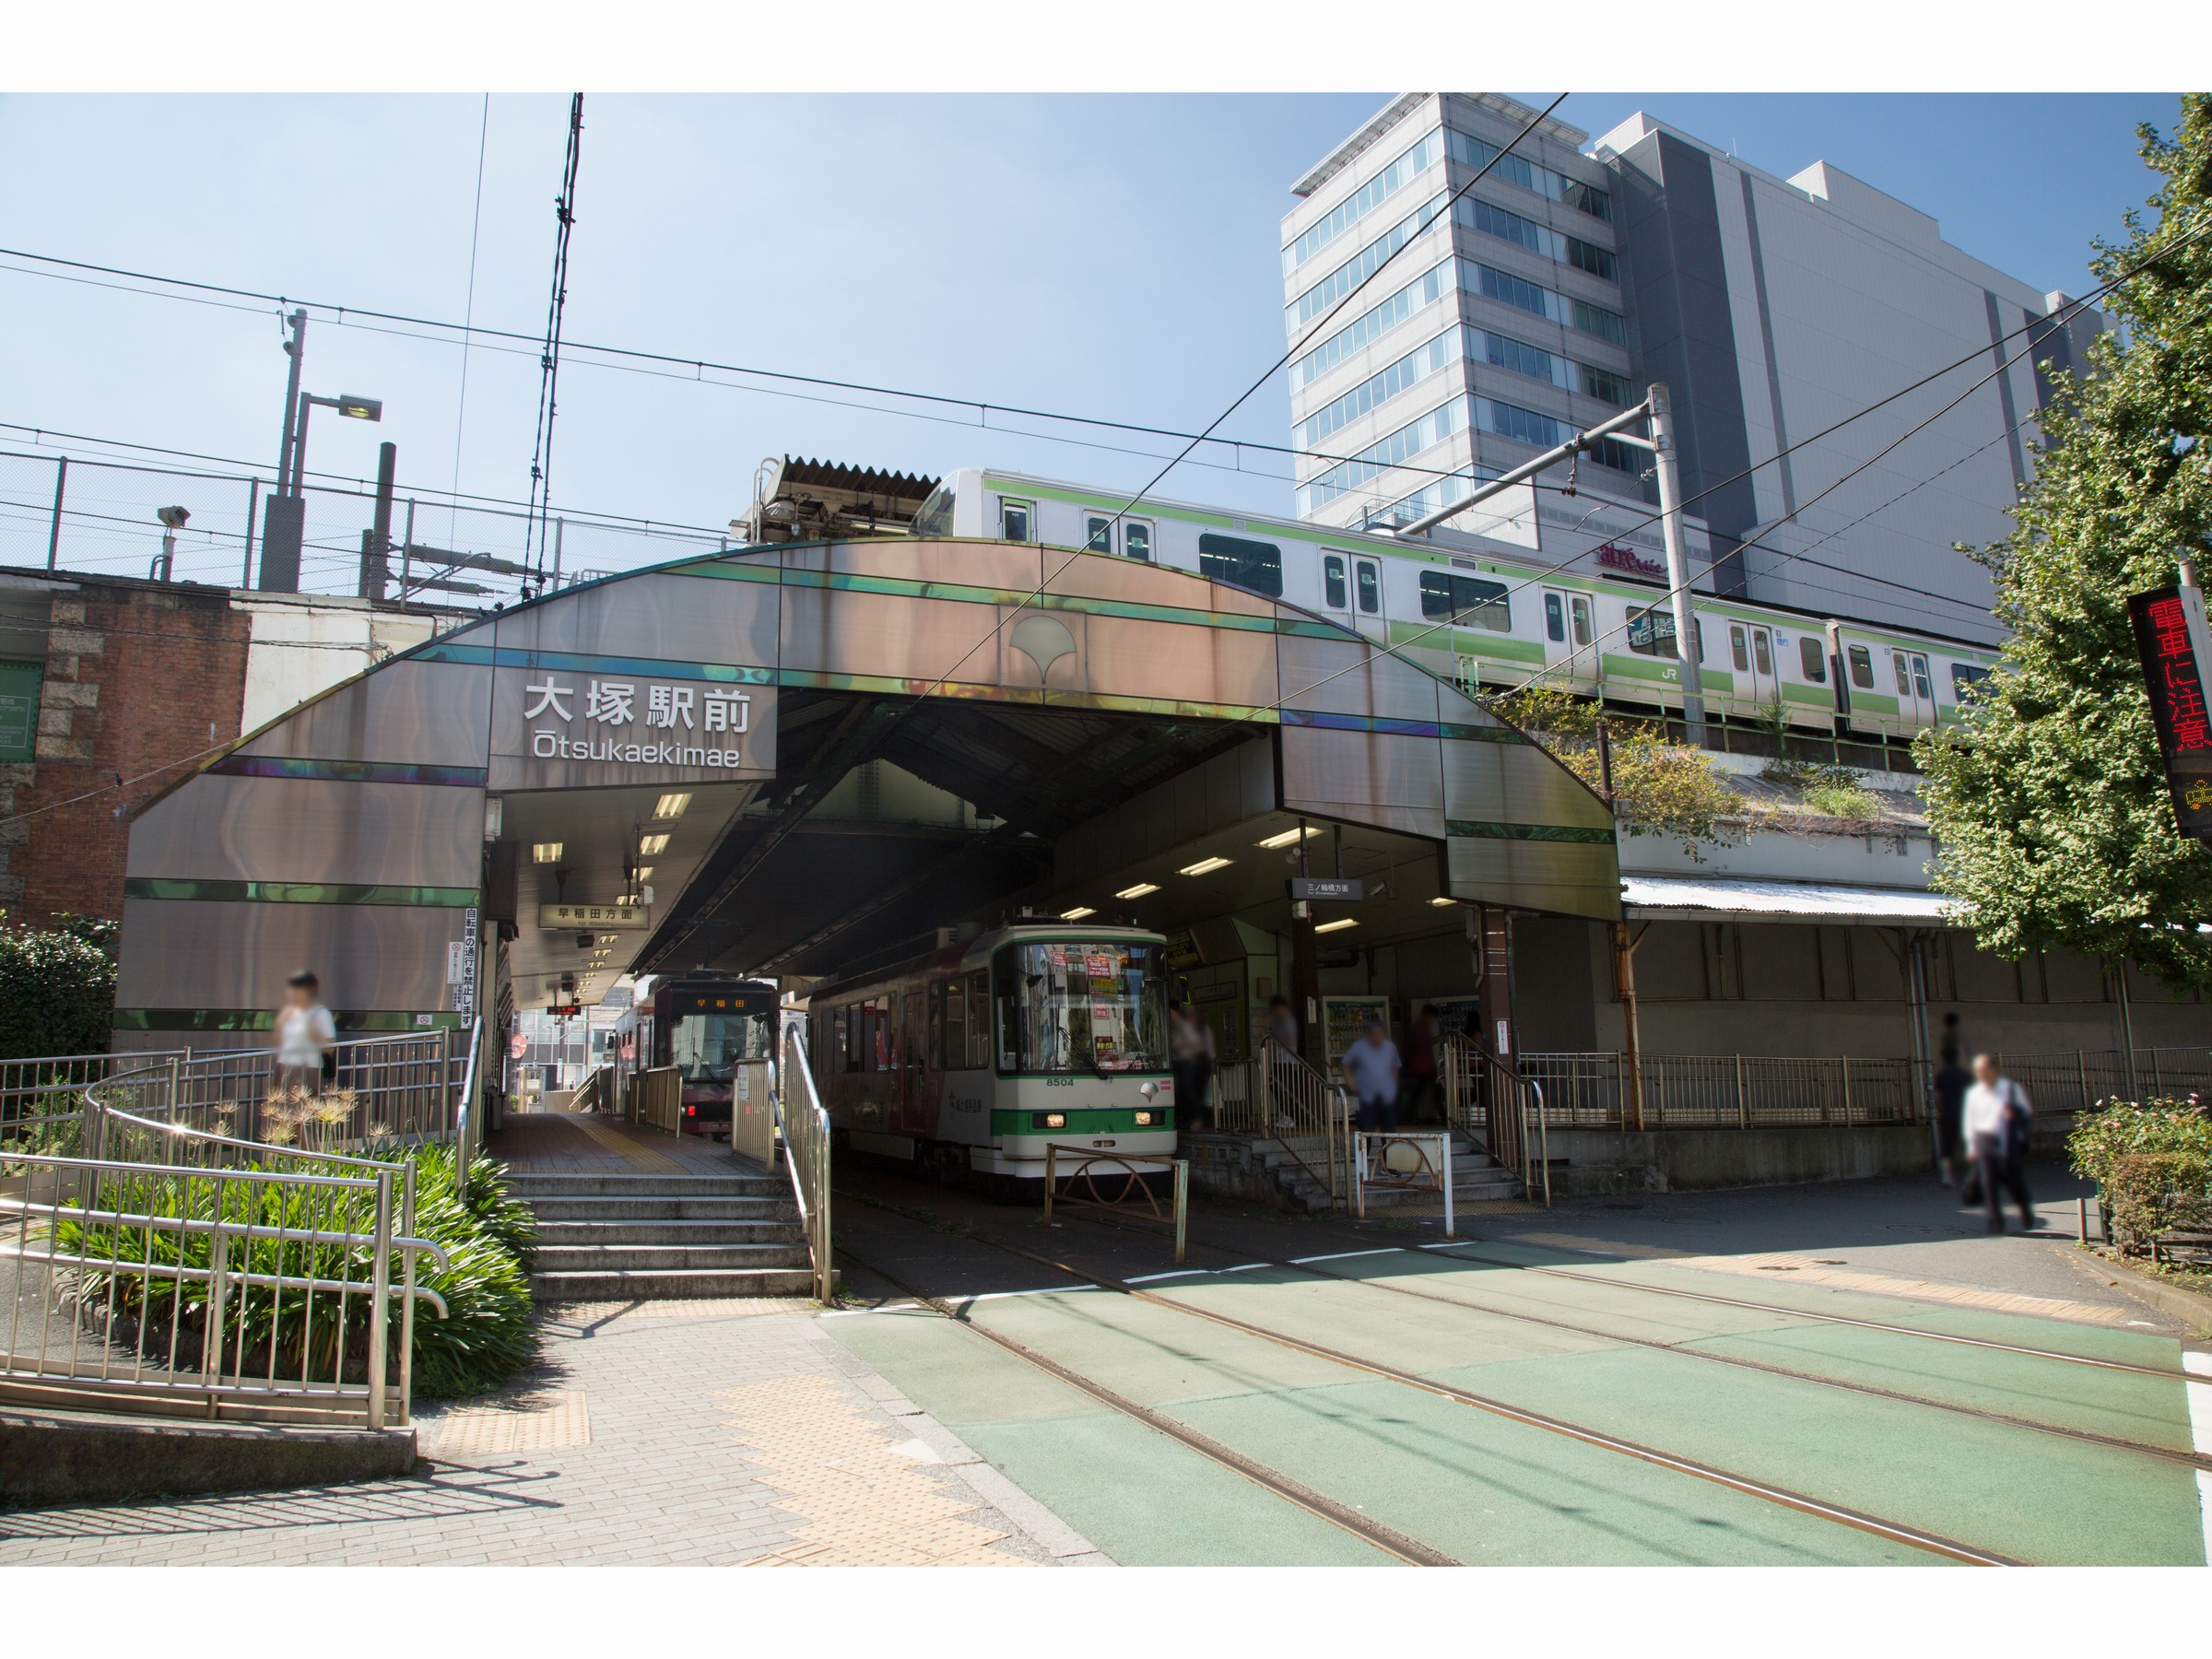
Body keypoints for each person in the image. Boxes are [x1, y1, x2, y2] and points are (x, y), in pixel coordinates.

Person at [1960, 1053, 2036, 1234]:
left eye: (1985, 1070)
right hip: (1984, 1139)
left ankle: (2025, 1209)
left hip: (2007, 1140)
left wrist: (2015, 1118)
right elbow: (1970, 1121)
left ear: (1994, 1070)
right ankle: (1996, 1221)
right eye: (1978, 1071)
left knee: (2013, 1181)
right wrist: (1971, 1147)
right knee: (1988, 1182)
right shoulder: (1974, 1094)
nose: (1982, 1074)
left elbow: (2026, 1113)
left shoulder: (2010, 1089)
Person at [274, 970, 335, 1097]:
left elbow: (330, 1048)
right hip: (284, 1065)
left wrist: (312, 1033)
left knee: (302, 1110)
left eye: (298, 988)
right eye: (292, 988)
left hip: (307, 1068)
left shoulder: (321, 1014)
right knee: (281, 1109)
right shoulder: (291, 1012)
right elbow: (281, 1041)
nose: (293, 993)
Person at [1341, 1016, 1403, 1135]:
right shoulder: (1359, 1046)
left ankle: (1387, 1153)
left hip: (1387, 1094)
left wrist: (1392, 1084)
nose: (1378, 1037)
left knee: (1388, 1128)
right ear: (1369, 1035)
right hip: (1368, 1094)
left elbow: (1396, 1066)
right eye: (1375, 1034)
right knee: (1367, 1128)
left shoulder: (1390, 1047)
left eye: (1380, 1034)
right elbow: (1345, 1064)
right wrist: (1351, 1083)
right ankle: (1364, 1152)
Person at [1932, 1047, 1971, 1188]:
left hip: (1947, 1114)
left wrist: (1941, 1110)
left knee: (1948, 1146)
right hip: (1964, 1115)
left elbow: (1938, 1098)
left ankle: (1947, 1177)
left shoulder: (1941, 1076)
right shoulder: (1965, 1076)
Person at [1400, 1006, 1442, 1125]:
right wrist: (1435, 1040)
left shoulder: (1420, 1027)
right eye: (1433, 1018)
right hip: (1421, 1068)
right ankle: (1409, 1117)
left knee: (1420, 1094)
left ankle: (1409, 1117)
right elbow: (1421, 1045)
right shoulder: (1420, 1027)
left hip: (1422, 1067)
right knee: (1421, 1093)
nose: (1433, 1020)